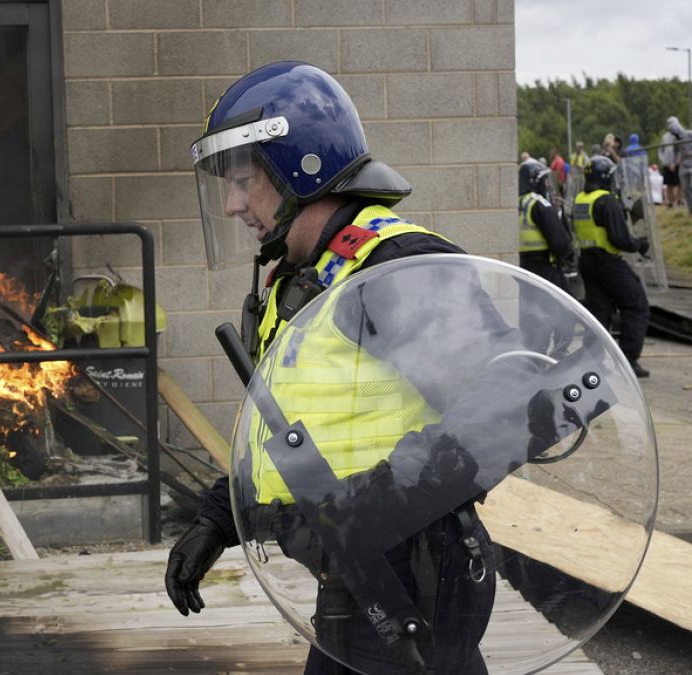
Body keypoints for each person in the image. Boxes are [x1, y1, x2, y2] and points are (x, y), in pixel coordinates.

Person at [167, 61, 506, 674]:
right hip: (355, 578)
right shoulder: (307, 279)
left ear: (303, 165)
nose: (230, 204)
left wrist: (383, 499)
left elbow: (505, 403)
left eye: (243, 180)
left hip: (411, 578)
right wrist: (219, 517)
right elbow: (297, 427)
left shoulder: (392, 268)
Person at [573, 155, 651, 377]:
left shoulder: (581, 199)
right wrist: (639, 245)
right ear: (606, 177)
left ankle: (591, 359)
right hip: (607, 261)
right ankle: (628, 360)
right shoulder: (607, 201)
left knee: (599, 311)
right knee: (636, 303)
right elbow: (619, 239)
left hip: (587, 262)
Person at [518, 158, 576, 353]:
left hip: (523, 268)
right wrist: (566, 256)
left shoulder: (516, 204)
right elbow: (560, 242)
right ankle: (560, 353)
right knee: (565, 310)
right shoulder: (538, 204)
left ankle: (534, 354)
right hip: (546, 266)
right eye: (544, 181)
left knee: (532, 315)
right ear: (536, 182)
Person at [667, 116, 692, 214]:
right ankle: (691, 210)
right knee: (686, 188)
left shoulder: (689, 134)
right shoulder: (675, 140)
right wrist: (673, 163)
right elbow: (675, 152)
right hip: (683, 165)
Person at [659, 126, 681, 208]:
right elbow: (660, 150)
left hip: (677, 164)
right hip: (667, 165)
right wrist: (665, 162)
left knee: (679, 183)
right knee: (669, 184)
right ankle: (671, 202)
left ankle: (679, 201)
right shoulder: (664, 137)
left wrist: (676, 163)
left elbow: (680, 151)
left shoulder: (679, 137)